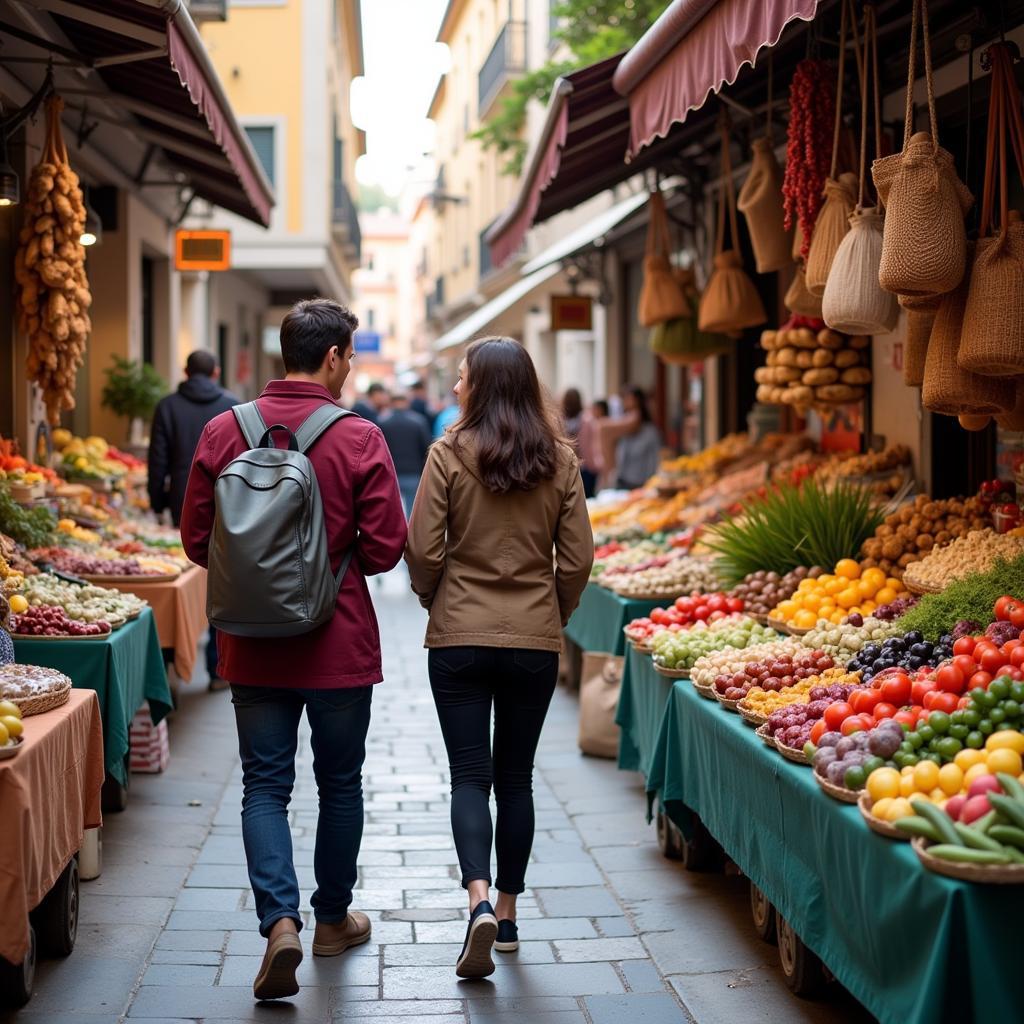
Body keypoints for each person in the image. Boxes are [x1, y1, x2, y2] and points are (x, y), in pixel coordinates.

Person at [180, 299, 407, 1003]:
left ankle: (280, 922)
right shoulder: (359, 438)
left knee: (265, 786)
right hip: (337, 643)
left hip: (252, 645)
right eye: (350, 356)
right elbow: (386, 549)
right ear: (336, 355)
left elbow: (195, 540)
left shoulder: (225, 429)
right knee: (340, 783)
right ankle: (332, 920)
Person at [406, 337, 594, 980]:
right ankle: (509, 917)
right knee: (516, 779)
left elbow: (424, 549)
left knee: (469, 777)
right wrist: (554, 613)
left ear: (481, 387)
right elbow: (577, 560)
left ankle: (478, 901)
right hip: (533, 640)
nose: (456, 388)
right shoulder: (559, 460)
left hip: (458, 637)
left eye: (461, 379)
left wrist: (436, 599)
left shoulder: (448, 453)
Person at [148, 350, 238, 690]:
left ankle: (170, 673)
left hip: (181, 501)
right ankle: (217, 670)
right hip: (229, 502)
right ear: (215, 372)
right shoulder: (233, 406)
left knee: (181, 572)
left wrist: (157, 501)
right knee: (221, 578)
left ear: (186, 371)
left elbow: (158, 459)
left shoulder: (167, 406)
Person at [378, 391, 432, 517]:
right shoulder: (419, 422)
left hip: (391, 473)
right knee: (413, 513)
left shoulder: (383, 423)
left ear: (391, 403)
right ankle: (410, 536)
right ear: (407, 402)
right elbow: (427, 447)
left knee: (392, 513)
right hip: (414, 473)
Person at [614, 387, 662, 490]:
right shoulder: (622, 429)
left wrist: (650, 485)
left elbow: (655, 462)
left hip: (641, 485)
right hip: (622, 482)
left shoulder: (650, 432)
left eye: (634, 409)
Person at [578, 398, 609, 498]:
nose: (593, 411)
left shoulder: (601, 424)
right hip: (592, 466)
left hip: (595, 465)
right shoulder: (590, 422)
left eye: (595, 408)